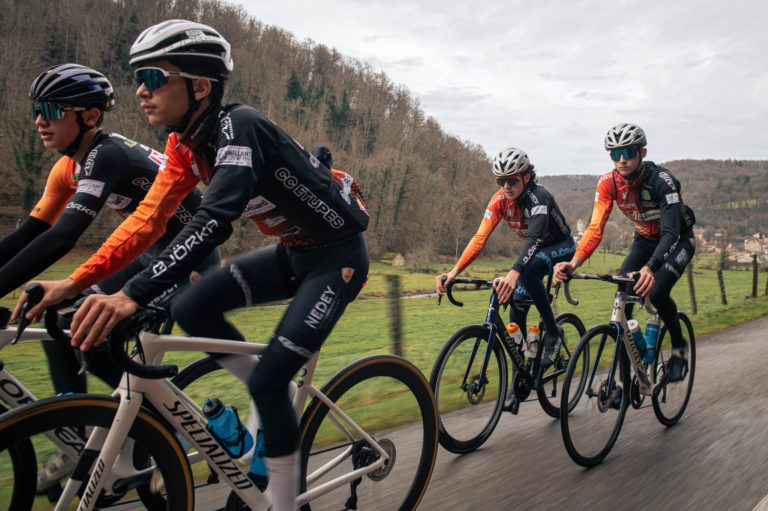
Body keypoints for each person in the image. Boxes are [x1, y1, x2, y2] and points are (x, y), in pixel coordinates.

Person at [16, 20, 369, 510]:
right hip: (294, 254)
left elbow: (213, 220)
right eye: (138, 77)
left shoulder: (238, 129)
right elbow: (147, 220)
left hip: (338, 261)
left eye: (155, 78)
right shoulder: (183, 145)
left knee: (264, 380)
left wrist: (132, 292)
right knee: (191, 306)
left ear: (200, 86)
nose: (140, 90)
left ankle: (284, 499)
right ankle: (277, 397)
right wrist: (76, 281)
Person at [1, 63, 219, 493]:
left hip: (189, 255)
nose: (39, 120)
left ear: (90, 117)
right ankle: (77, 436)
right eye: (36, 110)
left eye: (50, 109)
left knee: (84, 323)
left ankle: (160, 423)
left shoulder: (107, 155)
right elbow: (30, 234)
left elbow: (65, 236)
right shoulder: (68, 167)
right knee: (62, 319)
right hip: (149, 250)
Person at [553, 122, 695, 382]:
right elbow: (594, 228)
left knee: (658, 291)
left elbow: (671, 233)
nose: (622, 160)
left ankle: (679, 347)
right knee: (622, 302)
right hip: (643, 240)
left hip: (677, 241)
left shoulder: (663, 181)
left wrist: (651, 268)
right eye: (615, 154)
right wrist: (573, 263)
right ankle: (622, 380)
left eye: (628, 152)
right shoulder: (608, 183)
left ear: (642, 152)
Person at [436, 147, 575, 369]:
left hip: (560, 247)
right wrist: (454, 271)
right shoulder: (500, 200)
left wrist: (514, 273)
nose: (506, 187)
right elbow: (480, 237)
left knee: (526, 275)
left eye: (511, 180)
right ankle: (522, 372)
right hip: (535, 251)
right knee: (516, 305)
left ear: (526, 177)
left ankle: (553, 332)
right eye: (501, 181)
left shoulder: (539, 197)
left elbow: (535, 239)